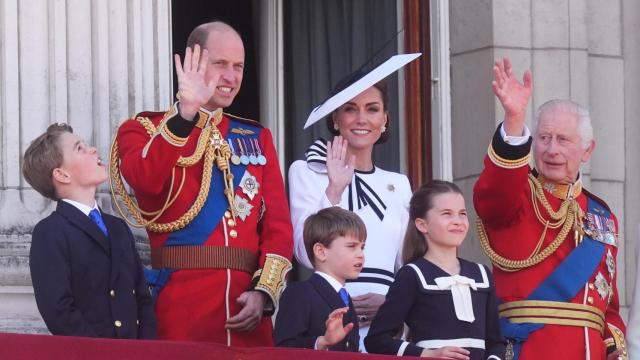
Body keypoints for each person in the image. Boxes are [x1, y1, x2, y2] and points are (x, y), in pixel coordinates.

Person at [112, 21, 293, 346]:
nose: (231, 77)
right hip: (180, 310)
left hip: (247, 315)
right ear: (190, 63)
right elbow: (144, 181)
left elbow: (278, 228)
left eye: (238, 66)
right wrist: (185, 115)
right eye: (220, 64)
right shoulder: (143, 129)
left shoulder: (257, 137)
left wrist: (263, 293)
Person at [473, 57, 627, 359]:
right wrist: (514, 120)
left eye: (563, 140)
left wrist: (612, 346)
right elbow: (493, 192)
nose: (551, 149)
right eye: (543, 138)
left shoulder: (602, 216)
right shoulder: (518, 197)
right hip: (529, 349)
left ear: (587, 149)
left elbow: (607, 305)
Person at [288, 79, 412, 350]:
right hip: (329, 318)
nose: (361, 119)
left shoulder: (399, 184)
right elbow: (303, 250)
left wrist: (393, 306)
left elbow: (408, 264)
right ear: (335, 117)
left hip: (386, 325)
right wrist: (334, 187)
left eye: (372, 109)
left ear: (385, 119)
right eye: (350, 109)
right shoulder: (308, 171)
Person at [23, 123, 156, 339]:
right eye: (80, 148)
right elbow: (59, 312)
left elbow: (142, 297)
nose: (93, 149)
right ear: (62, 174)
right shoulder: (50, 233)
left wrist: (146, 350)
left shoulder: (118, 227)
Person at [365, 181, 504, 359]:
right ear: (422, 225)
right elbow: (376, 339)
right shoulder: (412, 274)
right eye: (447, 214)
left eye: (462, 214)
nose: (458, 221)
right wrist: (425, 353)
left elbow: (496, 341)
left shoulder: (481, 273)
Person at [274, 207, 365, 351]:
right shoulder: (299, 293)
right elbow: (284, 349)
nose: (361, 254)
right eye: (351, 246)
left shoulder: (346, 298)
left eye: (362, 247)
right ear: (321, 252)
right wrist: (320, 342)